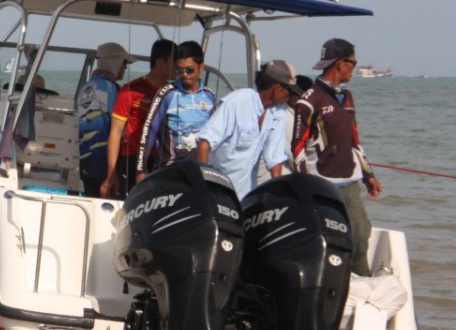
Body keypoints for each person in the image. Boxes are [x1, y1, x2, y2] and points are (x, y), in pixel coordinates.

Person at [291, 38, 383, 277]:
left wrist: (368, 175)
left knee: (361, 235)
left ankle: (361, 284)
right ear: (340, 63)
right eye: (353, 62)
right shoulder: (309, 99)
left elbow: (355, 140)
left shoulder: (348, 96)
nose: (354, 67)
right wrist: (306, 185)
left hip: (350, 181)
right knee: (328, 240)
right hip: (322, 184)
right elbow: (297, 147)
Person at [196, 60, 301, 200]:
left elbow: (275, 157)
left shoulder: (279, 112)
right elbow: (205, 143)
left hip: (248, 193)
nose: (291, 97)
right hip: (219, 190)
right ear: (277, 88)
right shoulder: (237, 102)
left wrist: (277, 192)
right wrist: (204, 186)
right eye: (290, 91)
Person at [101, 38, 176, 198]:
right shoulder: (130, 90)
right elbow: (115, 133)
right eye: (174, 61)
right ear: (160, 63)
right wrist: (111, 174)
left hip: (163, 161)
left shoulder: (175, 92)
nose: (178, 67)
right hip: (132, 159)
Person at [136, 40, 217, 179]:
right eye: (180, 70)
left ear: (201, 67)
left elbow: (215, 134)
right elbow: (149, 130)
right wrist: (140, 170)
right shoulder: (167, 93)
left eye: (189, 70)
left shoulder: (210, 96)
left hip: (198, 170)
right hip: (169, 168)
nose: (184, 74)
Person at [76, 42, 137, 195]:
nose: (126, 67)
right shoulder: (112, 89)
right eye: (124, 62)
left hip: (87, 162)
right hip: (106, 167)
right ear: (114, 62)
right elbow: (119, 129)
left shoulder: (86, 87)